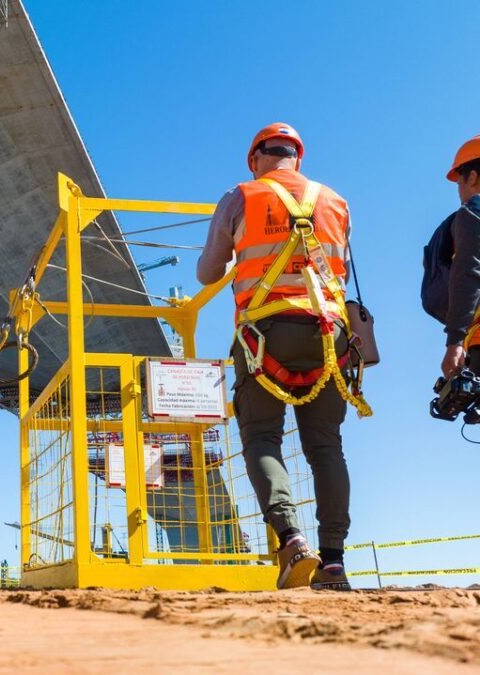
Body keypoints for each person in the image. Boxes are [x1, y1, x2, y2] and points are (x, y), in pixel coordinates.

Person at [197, 123, 355, 591]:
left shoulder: (240, 196)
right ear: (297, 159)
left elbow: (208, 273)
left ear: (255, 159)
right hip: (330, 336)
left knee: (263, 437)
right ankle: (333, 562)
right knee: (326, 447)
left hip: (264, 338)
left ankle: (291, 541)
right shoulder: (335, 201)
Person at [439, 136, 480, 377]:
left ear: (472, 177)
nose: (459, 192)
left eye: (459, 183)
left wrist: (454, 342)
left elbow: (468, 272)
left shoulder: (473, 212)